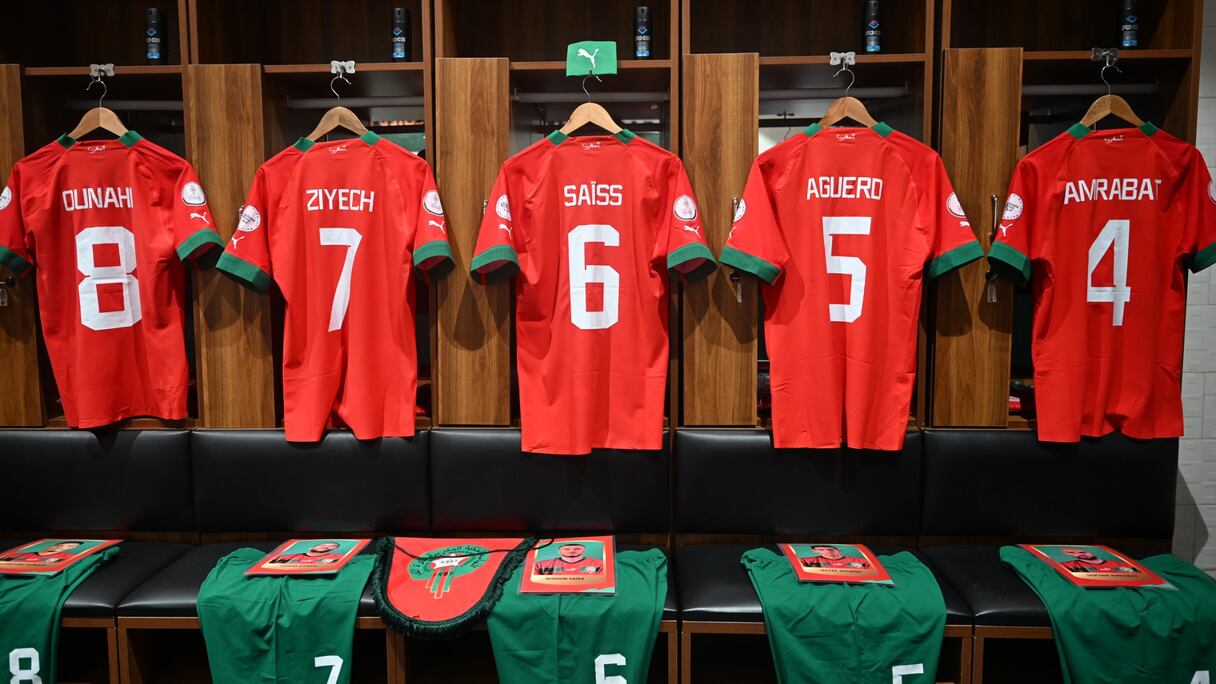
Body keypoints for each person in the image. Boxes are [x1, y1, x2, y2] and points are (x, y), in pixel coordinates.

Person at [533, 543, 604, 575]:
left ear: (584, 550)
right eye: (566, 549)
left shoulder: (600, 564)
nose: (572, 551)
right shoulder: (540, 564)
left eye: (577, 548)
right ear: (559, 551)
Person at [1059, 547, 1139, 574]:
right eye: (1072, 553)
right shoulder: (1069, 565)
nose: (1080, 554)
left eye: (1083, 551)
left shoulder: (1121, 564)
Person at [0, 540, 83, 564]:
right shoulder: (21, 554)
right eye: (60, 545)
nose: (62, 547)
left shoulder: (68, 557)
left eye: (70, 546)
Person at [268, 542, 344, 565]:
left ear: (334, 549)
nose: (326, 547)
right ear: (311, 547)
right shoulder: (284, 557)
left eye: (331, 546)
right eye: (324, 544)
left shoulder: (337, 557)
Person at [799, 545, 870, 569]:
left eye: (830, 549)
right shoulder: (806, 561)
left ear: (839, 550)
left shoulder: (862, 562)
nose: (827, 551)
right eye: (821, 549)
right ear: (815, 551)